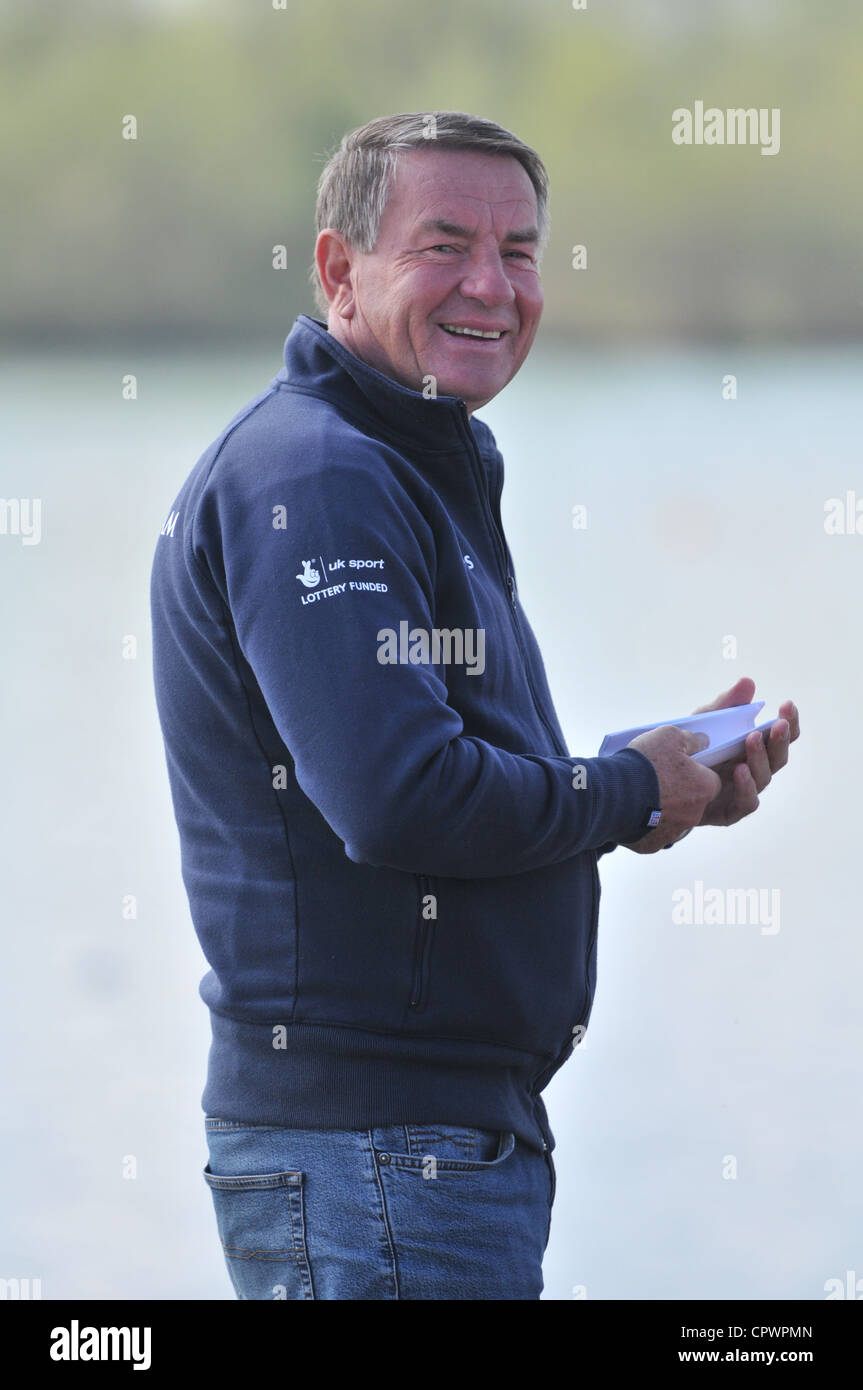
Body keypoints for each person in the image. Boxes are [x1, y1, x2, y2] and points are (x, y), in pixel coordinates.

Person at [149, 111, 799, 1300]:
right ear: (339, 269)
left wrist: (647, 782)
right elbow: (396, 800)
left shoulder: (394, 458)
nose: (491, 287)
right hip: (378, 1157)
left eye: (520, 252)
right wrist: (621, 787)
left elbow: (426, 764)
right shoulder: (322, 476)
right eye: (443, 246)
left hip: (413, 1153)